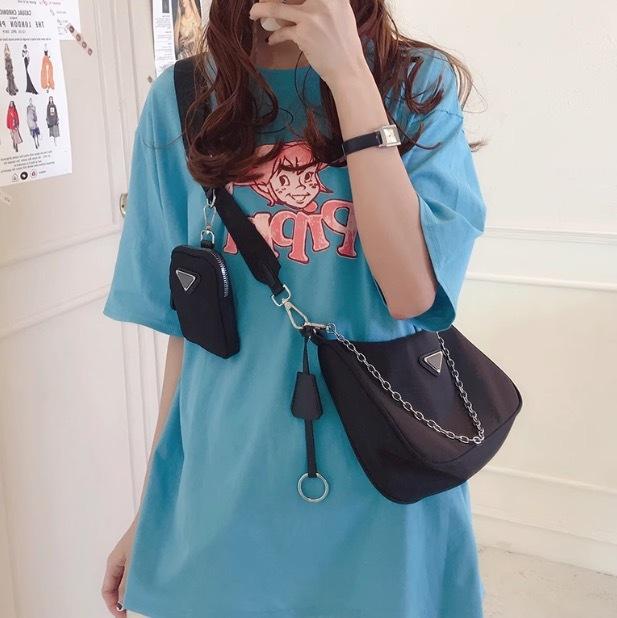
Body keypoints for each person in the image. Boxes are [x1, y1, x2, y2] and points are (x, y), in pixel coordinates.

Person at [101, 1, 488, 617]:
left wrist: (351, 76)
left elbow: (412, 293)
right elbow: (190, 334)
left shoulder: (415, 84)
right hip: (229, 490)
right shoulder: (183, 99)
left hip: (385, 491)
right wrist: (152, 511)